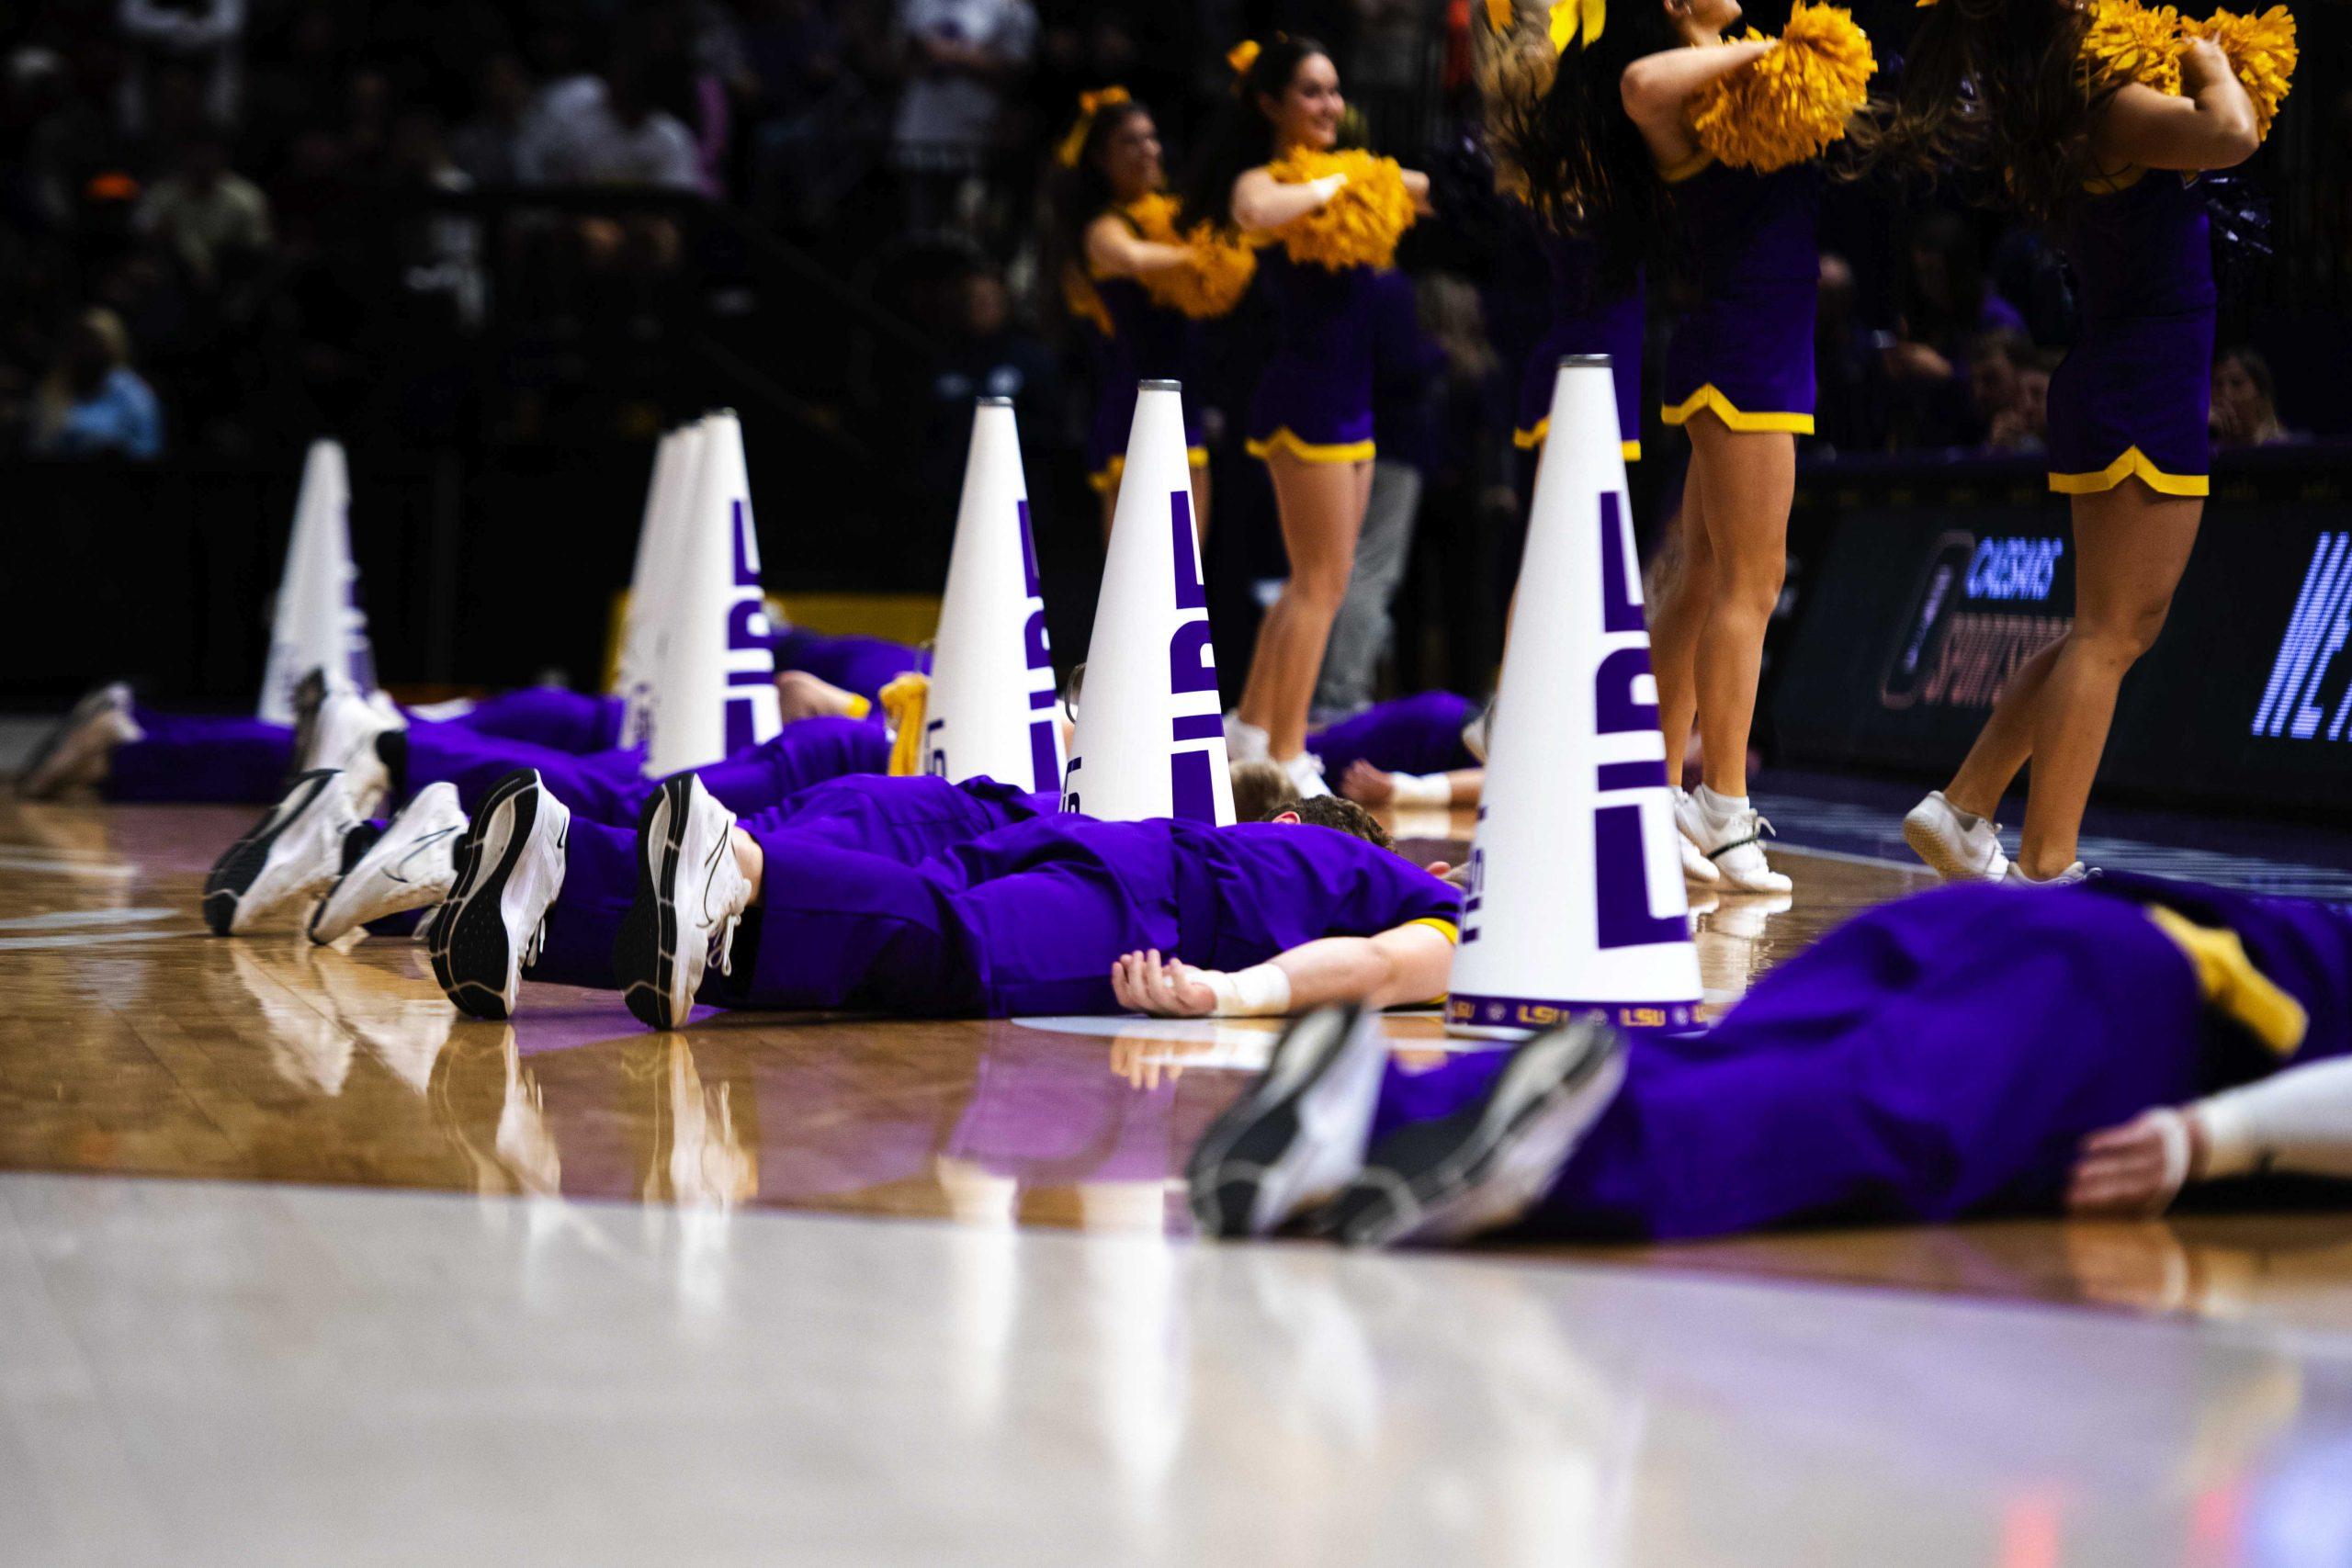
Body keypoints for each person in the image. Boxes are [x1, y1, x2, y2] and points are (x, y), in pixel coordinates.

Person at [1181, 870, 2352, 1247]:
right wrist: (2219, 1138)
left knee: (1725, 1060)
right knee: (1862, 1117)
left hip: (2014, 915)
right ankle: (1559, 1161)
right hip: (2146, 1001)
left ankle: (1366, 1107)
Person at [1877, 0, 2287, 886]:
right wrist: (2208, 54)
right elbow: (2232, 133)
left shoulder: (2080, 104)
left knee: (2107, 629)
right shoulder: (2111, 107)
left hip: (2134, 376)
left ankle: (1964, 805)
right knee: (2109, 635)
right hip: (2142, 380)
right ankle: (2045, 864)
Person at [425, 761, 1458, 1029]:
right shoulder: (1437, 904)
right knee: (945, 950)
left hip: (1082, 840)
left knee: (833, 954)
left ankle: (559, 880)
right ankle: (734, 860)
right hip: (1159, 906)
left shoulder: (1283, 842)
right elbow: (1377, 969)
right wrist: (1230, 998)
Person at [1614, 0, 1872, 896]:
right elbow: (1639, 85)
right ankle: (1721, 802)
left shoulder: (1761, 81)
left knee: (1695, 580)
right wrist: (1767, 46)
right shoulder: (1690, 85)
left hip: (1752, 345)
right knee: (1749, 584)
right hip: (1746, 351)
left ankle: (1646, 796)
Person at [1179, 37, 1430, 799]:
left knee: (1317, 580)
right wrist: (1341, 179)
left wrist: (1363, 174)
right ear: (1270, 105)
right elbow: (1252, 210)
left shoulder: (1351, 174)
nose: (1329, 106)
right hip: (1304, 401)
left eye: (1334, 92)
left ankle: (1254, 728)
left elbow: (1422, 186)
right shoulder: (1270, 178)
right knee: (1320, 583)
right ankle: (1287, 752)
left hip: (1352, 400)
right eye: (1312, 92)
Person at [1047, 88, 1239, 542]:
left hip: (1185, 408)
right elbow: (1133, 259)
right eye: (1130, 142)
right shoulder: (1103, 228)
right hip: (1129, 414)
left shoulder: (1175, 218)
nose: (1148, 150)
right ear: (1099, 158)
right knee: (1131, 573)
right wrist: (1207, 257)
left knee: (1187, 572)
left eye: (1150, 138)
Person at [26, 308, 163, 460]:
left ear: (112, 345)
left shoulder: (134, 393)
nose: (86, 350)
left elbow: (149, 447)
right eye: (79, 341)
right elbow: (38, 445)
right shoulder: (52, 388)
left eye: (94, 342)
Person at [2211, 344, 2293, 447]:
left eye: (2237, 383)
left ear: (2261, 394)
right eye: (2218, 385)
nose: (2226, 394)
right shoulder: (2208, 450)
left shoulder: (2286, 448)